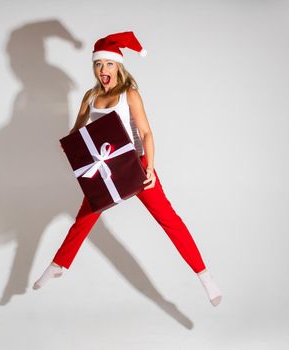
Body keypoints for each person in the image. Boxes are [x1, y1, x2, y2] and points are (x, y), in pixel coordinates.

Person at [32, 31, 222, 306]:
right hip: (107, 170)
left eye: (108, 64)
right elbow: (78, 132)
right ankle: (58, 265)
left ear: (118, 66)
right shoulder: (90, 97)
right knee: (84, 219)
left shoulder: (129, 95)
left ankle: (205, 277)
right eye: (98, 65)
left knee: (169, 220)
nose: (103, 70)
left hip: (136, 166)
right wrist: (69, 146)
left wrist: (150, 168)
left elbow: (146, 133)